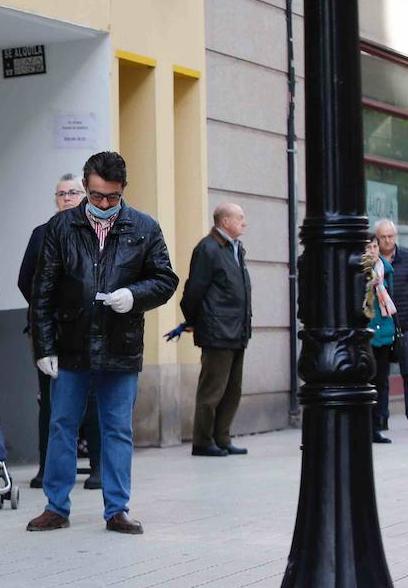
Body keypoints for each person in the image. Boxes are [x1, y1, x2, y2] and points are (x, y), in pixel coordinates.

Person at [27, 151, 178, 536]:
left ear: (123, 189)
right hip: (71, 343)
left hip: (120, 344)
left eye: (111, 196)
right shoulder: (62, 227)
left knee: (117, 429)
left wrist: (134, 294)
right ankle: (55, 506)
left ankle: (117, 509)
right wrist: (43, 348)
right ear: (86, 187)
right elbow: (42, 291)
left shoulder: (143, 227)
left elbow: (165, 279)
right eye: (96, 196)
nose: (104, 204)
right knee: (61, 425)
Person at [18, 174, 102, 490]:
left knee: (93, 400)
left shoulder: (97, 232)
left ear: (85, 196)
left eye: (73, 193)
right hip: (50, 331)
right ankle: (47, 469)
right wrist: (49, 310)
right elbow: (26, 279)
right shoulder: (42, 234)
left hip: (90, 329)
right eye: (61, 193)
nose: (67, 198)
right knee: (51, 403)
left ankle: (98, 468)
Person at [179, 204, 253, 457]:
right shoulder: (208, 248)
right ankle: (202, 441)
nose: (244, 222)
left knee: (233, 390)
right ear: (224, 222)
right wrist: (192, 319)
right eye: (239, 218)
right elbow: (194, 290)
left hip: (237, 330)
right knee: (213, 389)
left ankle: (222, 437)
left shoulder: (235, 249)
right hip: (217, 330)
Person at [373, 219, 408, 422]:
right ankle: (381, 419)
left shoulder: (405, 258)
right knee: (380, 376)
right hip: (383, 326)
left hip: (404, 323)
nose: (387, 240)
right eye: (383, 237)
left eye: (390, 236)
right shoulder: (374, 263)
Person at [365, 234, 397, 444]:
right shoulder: (360, 271)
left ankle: (379, 423)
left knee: (382, 381)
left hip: (385, 331)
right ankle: (367, 425)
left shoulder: (385, 270)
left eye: (375, 246)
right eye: (369, 247)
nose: (373, 250)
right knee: (369, 380)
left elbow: (391, 299)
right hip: (368, 333)